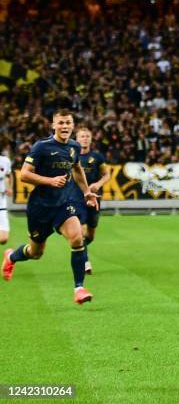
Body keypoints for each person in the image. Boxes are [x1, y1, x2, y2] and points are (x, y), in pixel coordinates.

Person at [2, 109, 98, 304]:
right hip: (40, 207)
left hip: (64, 204)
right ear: (53, 125)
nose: (64, 126)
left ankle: (79, 288)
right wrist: (49, 180)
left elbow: (77, 168)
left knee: (77, 238)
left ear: (72, 125)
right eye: (60, 123)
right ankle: (12, 256)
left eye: (68, 123)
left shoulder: (74, 147)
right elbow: (24, 174)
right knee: (36, 253)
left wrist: (86, 192)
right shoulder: (41, 147)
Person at [69, 127, 111, 275]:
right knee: (81, 231)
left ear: (91, 139)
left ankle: (79, 247)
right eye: (82, 136)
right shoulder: (71, 156)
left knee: (90, 234)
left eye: (87, 136)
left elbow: (107, 175)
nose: (85, 138)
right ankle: (85, 261)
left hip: (94, 198)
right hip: (76, 198)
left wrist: (98, 185)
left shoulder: (97, 157)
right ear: (77, 139)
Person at [0, 153, 12, 245]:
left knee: (4, 239)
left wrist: (9, 187)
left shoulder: (5, 160)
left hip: (1, 203)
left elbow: (9, 175)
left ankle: (8, 255)